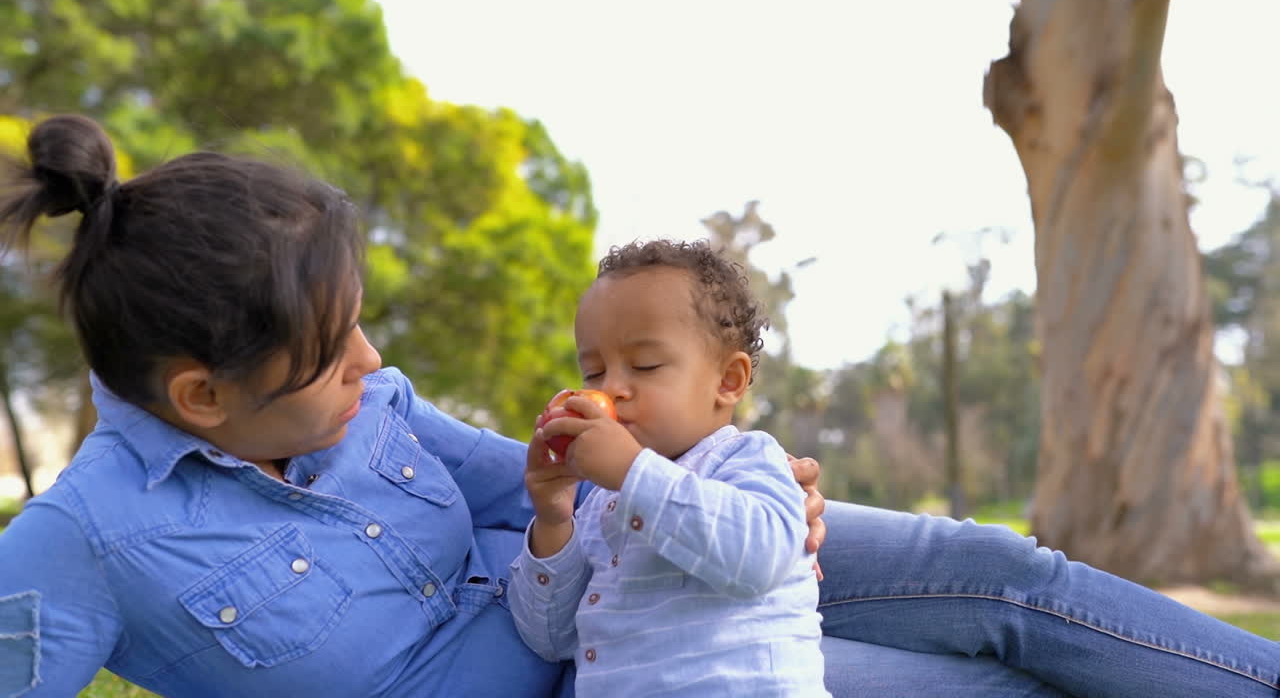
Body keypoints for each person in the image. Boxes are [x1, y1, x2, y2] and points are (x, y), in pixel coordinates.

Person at [0, 114, 1276, 697]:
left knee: (996, 575)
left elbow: (538, 475)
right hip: (630, 676)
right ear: (201, 396)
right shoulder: (81, 545)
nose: (373, 362)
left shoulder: (368, 403)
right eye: (331, 353)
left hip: (645, 559)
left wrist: (705, 471)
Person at [509, 240, 829, 696]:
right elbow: (552, 639)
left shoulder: (748, 460)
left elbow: (759, 560)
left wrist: (631, 471)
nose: (613, 388)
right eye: (594, 373)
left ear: (727, 380)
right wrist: (554, 518)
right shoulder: (601, 502)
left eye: (645, 365)